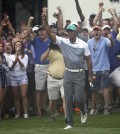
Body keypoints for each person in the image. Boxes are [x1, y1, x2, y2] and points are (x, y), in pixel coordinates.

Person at [41, 8, 92, 129]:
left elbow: (89, 60)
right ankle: (69, 123)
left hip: (79, 74)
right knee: (68, 99)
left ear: (76, 32)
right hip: (68, 74)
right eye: (68, 31)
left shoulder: (83, 44)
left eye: (71, 31)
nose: (69, 33)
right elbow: (48, 31)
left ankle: (83, 111)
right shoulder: (63, 41)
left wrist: (90, 75)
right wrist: (44, 19)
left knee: (79, 99)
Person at [27, 17, 50, 117]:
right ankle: (39, 111)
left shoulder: (51, 40)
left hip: (50, 67)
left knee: (48, 89)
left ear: (46, 31)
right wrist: (29, 22)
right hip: (39, 67)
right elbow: (28, 33)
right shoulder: (36, 40)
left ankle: (45, 108)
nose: (42, 32)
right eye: (40, 31)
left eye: (43, 30)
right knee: (39, 90)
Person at [87, 25, 113, 115]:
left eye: (98, 30)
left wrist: (111, 39)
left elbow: (111, 45)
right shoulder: (89, 42)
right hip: (94, 70)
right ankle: (97, 107)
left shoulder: (105, 40)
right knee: (94, 90)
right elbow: (88, 57)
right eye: (95, 30)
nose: (96, 32)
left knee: (104, 89)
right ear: (92, 32)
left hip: (104, 68)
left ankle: (106, 108)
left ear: (101, 32)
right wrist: (89, 74)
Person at [41, 41, 66, 122]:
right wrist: (49, 49)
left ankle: (67, 117)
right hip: (52, 79)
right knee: (52, 100)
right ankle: (52, 115)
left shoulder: (65, 51)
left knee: (65, 98)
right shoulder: (51, 51)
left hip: (64, 79)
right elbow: (42, 59)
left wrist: (60, 49)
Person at [8, 41, 29, 118]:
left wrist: (19, 61)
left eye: (19, 44)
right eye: (16, 45)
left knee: (23, 95)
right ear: (14, 47)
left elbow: (24, 68)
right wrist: (14, 62)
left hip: (23, 76)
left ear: (21, 46)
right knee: (16, 96)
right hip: (13, 77)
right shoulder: (11, 57)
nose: (17, 46)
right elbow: (10, 68)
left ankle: (26, 113)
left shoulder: (25, 56)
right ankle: (18, 113)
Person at [0, 42, 9, 120]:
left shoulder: (3, 56)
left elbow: (6, 68)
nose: (1, 47)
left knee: (3, 98)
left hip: (4, 77)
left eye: (1, 46)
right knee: (0, 97)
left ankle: (1, 114)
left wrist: (3, 63)